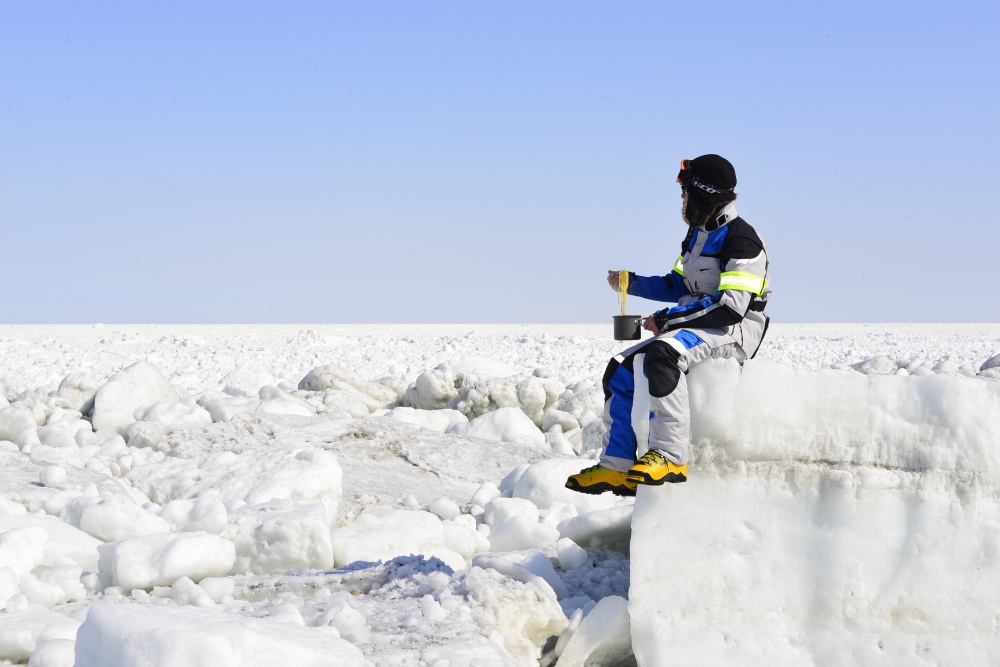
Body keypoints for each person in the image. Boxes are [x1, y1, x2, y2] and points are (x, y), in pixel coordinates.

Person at [566, 154, 771, 496]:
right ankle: (616, 466)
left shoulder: (742, 240)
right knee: (620, 368)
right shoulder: (697, 235)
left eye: (686, 191)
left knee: (662, 356)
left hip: (732, 332)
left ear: (703, 193)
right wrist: (632, 282)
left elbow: (731, 308)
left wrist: (666, 319)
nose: (682, 198)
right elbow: (678, 285)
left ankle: (671, 455)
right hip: (695, 325)